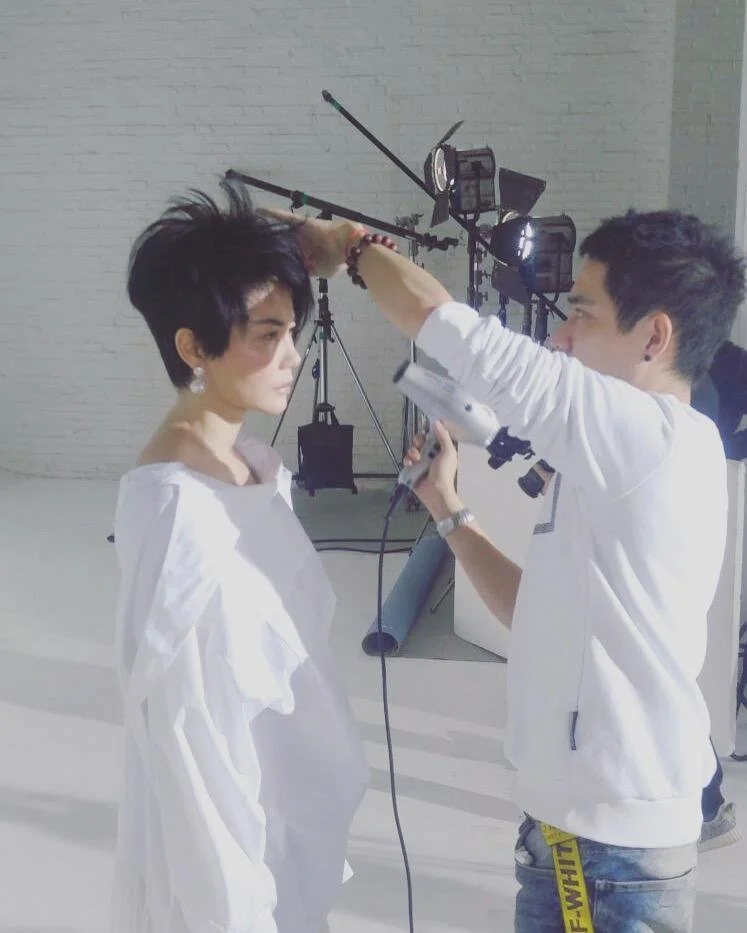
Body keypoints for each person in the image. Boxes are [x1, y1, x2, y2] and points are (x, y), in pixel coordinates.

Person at [282, 208, 746, 932]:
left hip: (614, 858)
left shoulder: (648, 437)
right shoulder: (612, 463)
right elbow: (536, 615)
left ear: (654, 337)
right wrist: (449, 512)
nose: (561, 336)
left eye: (582, 314)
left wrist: (352, 246)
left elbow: (461, 338)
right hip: (565, 834)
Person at [110, 181, 368, 933]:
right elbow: (186, 735)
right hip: (228, 861)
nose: (292, 356)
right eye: (267, 334)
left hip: (277, 813)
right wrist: (238, 905)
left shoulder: (250, 466)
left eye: (292, 330)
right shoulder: (176, 508)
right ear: (194, 347)